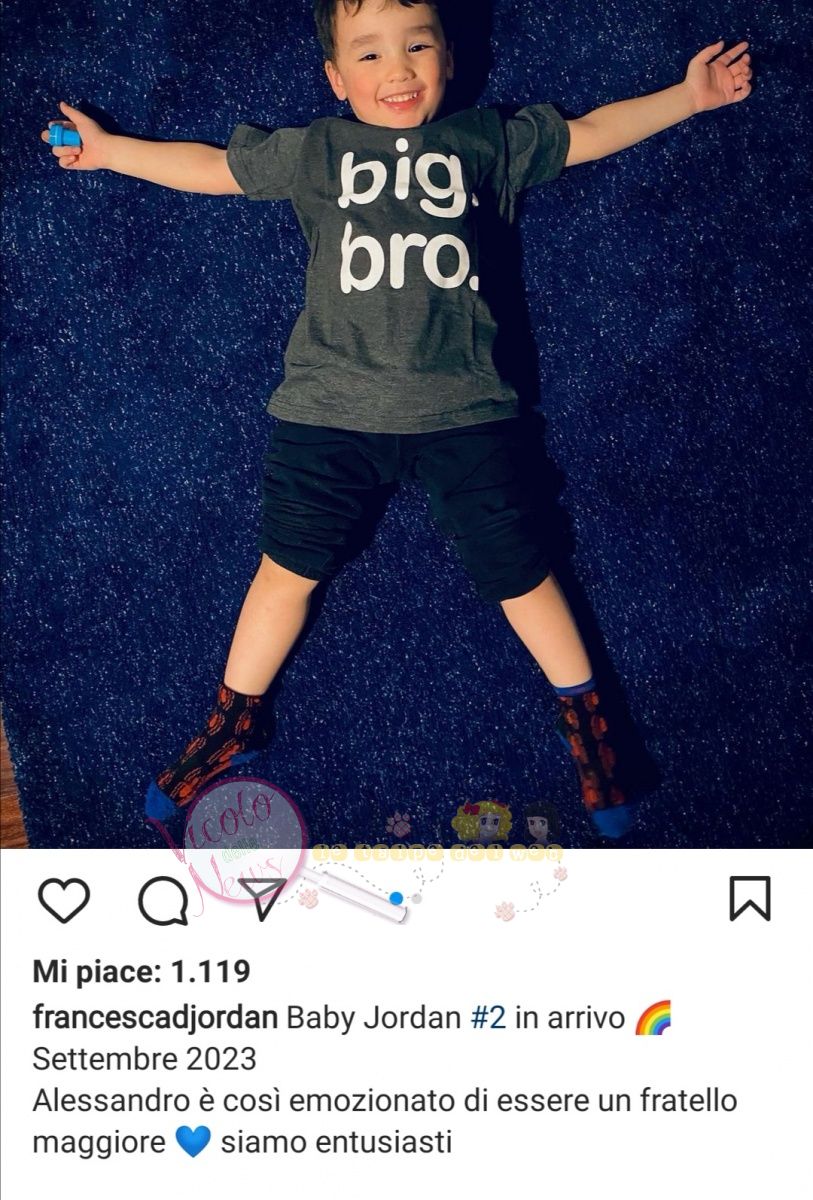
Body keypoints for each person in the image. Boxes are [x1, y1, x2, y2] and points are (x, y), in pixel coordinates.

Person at [40, 0, 751, 840]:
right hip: (327, 413)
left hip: (466, 412)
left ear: (447, 56)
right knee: (283, 571)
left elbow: (589, 132)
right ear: (336, 79)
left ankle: (591, 726)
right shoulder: (318, 149)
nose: (399, 69)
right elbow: (213, 167)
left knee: (523, 572)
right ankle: (235, 719)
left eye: (417, 45)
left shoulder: (484, 140)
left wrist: (687, 96)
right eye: (369, 55)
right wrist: (111, 151)